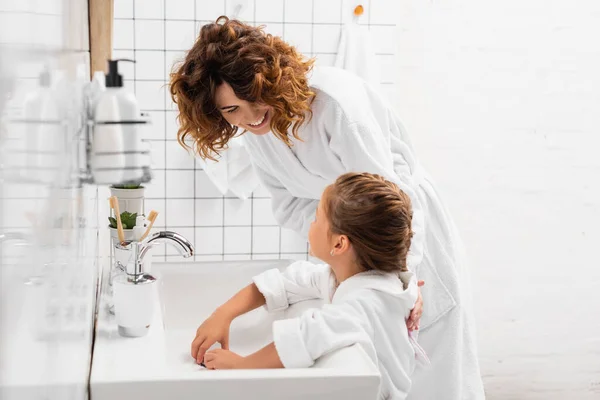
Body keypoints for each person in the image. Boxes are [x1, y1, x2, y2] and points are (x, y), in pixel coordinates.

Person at [171, 17, 485, 399]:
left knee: (439, 374)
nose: (250, 117)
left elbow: (385, 203)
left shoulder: (336, 104)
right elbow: (288, 207)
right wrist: (333, 236)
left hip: (405, 237)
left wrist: (402, 275)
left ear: (269, 77)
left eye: (253, 97)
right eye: (231, 110)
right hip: (355, 247)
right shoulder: (258, 136)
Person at [194, 172, 424, 400]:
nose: (310, 226)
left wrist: (241, 367)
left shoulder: (365, 301)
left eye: (315, 218)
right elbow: (287, 282)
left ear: (339, 243)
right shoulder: (351, 277)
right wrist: (224, 314)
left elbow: (307, 337)